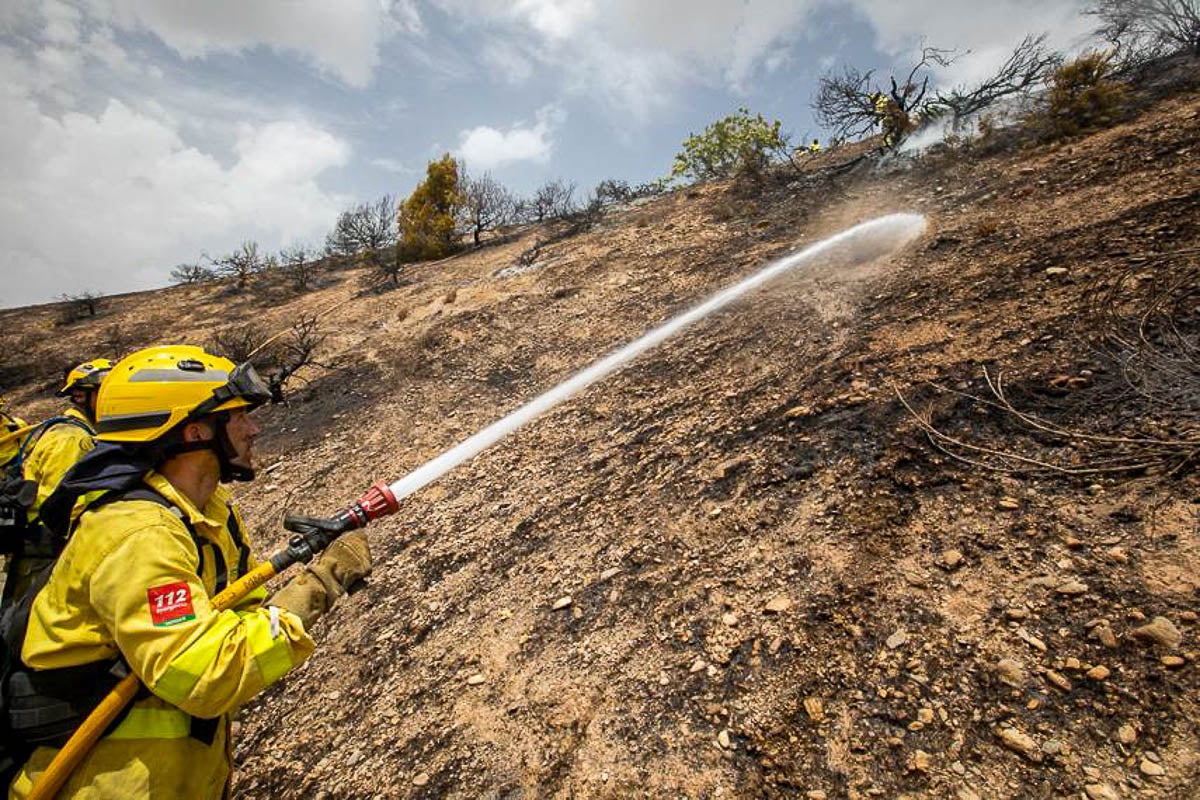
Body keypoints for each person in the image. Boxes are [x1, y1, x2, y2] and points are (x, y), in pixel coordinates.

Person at [7, 345, 371, 799]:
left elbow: (238, 617)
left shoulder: (207, 515)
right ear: (195, 430)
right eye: (238, 417)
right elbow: (207, 675)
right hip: (111, 784)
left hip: (176, 775)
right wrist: (319, 586)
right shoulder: (138, 535)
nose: (253, 429)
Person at [3, 360, 111, 600]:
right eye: (106, 393)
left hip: (44, 545)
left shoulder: (81, 432)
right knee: (26, 620)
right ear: (81, 396)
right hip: (44, 547)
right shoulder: (72, 439)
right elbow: (60, 504)